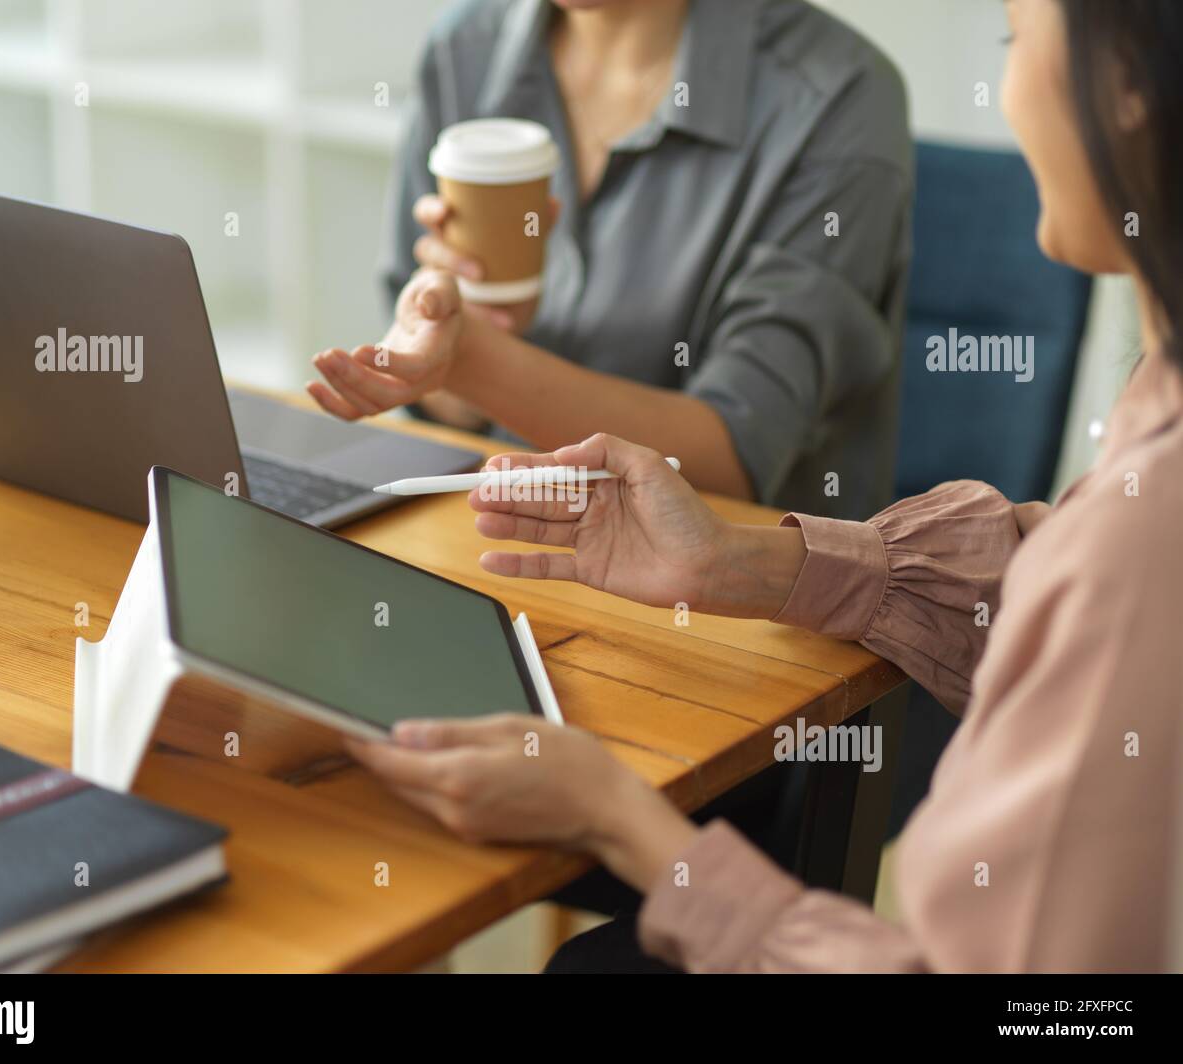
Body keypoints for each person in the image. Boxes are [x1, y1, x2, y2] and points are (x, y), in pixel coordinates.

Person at [347, 0, 1183, 972]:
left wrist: (624, 823)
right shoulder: (1150, 417)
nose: (1004, 87)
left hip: (756, 701)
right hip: (570, 598)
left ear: (1127, 84)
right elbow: (1046, 563)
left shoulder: (1142, 538)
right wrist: (738, 558)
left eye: (1012, 38)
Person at [308, 0, 913, 518]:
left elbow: (737, 463)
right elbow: (448, 417)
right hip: (493, 540)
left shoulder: (837, 94)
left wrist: (473, 358)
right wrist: (468, 334)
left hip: (740, 620)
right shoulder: (466, 49)